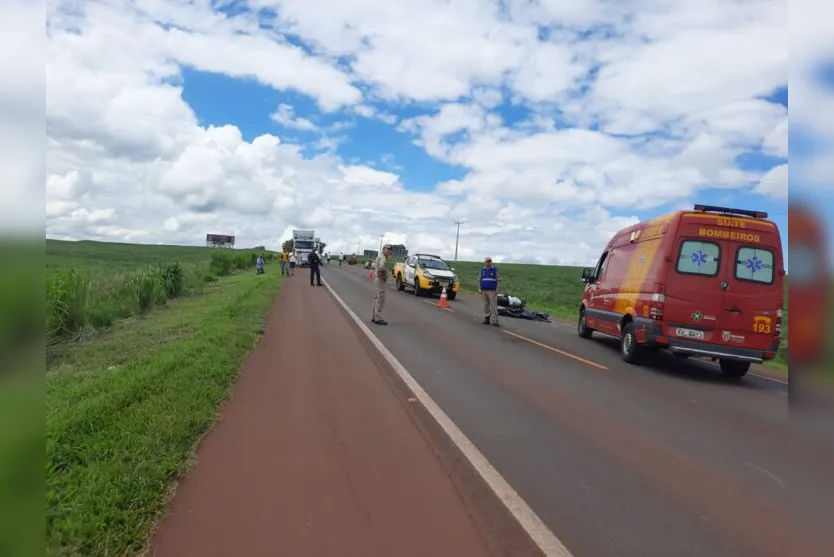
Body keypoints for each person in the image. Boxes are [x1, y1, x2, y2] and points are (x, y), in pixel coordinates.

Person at [372, 244, 392, 325]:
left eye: (390, 250)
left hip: (378, 279)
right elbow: (381, 268)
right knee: (380, 298)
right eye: (387, 249)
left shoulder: (381, 256)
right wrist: (384, 277)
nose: (389, 251)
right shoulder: (383, 257)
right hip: (380, 279)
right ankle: (377, 317)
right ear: (384, 249)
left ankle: (374, 316)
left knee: (377, 298)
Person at [478, 256, 500, 326]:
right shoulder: (482, 270)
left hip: (492, 291)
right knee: (486, 305)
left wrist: (497, 289)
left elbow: (498, 280)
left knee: (493, 305)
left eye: (490, 261)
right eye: (487, 261)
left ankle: (495, 321)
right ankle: (487, 319)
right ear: (485, 262)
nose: (489, 262)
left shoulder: (494, 270)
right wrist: (479, 288)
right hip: (484, 290)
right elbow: (479, 280)